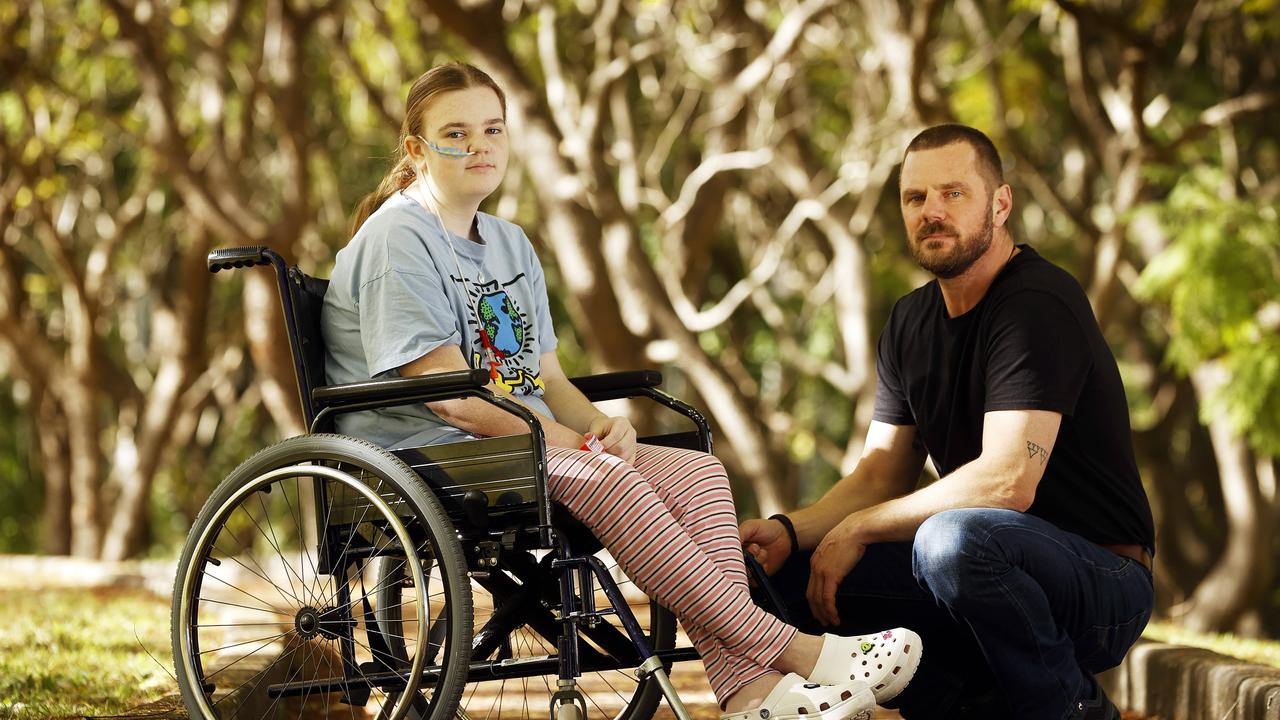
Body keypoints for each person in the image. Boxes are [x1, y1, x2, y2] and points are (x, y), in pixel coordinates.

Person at [320, 62, 923, 720]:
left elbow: (548, 382)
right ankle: (802, 654)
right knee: (612, 480)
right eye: (455, 133)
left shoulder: (509, 244)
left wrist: (606, 428)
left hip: (523, 445)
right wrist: (569, 442)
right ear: (417, 149)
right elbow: (454, 399)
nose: (479, 147)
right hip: (434, 453)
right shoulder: (397, 240)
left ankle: (752, 698)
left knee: (696, 474)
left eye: (491, 130)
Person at [740, 124, 1155, 720]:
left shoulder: (1037, 303)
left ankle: (1073, 711)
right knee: (773, 572)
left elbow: (1006, 482)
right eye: (915, 198)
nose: (932, 212)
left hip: (1099, 582)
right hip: (980, 576)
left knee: (951, 540)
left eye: (953, 193)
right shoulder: (909, 322)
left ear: (1001, 203)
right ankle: (966, 707)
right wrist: (789, 528)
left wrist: (858, 528)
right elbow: (881, 473)